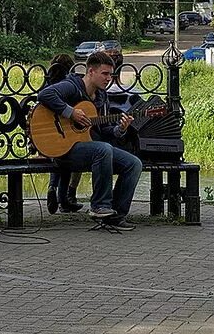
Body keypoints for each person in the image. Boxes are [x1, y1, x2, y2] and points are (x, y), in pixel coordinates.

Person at [35, 49, 142, 229]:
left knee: (134, 163)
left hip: (89, 150)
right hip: (63, 150)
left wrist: (120, 129)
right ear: (91, 72)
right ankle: (100, 205)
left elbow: (104, 129)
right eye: (105, 74)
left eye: (111, 74)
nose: (109, 78)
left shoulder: (102, 96)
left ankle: (115, 215)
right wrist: (71, 113)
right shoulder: (72, 86)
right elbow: (44, 95)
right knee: (103, 149)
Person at [41, 54, 84, 214]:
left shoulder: (47, 83)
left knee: (58, 157)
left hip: (45, 132)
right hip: (63, 131)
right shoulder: (68, 85)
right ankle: (65, 199)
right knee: (66, 159)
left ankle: (52, 187)